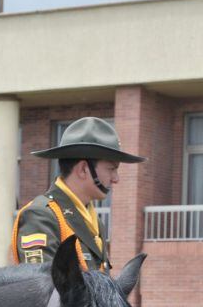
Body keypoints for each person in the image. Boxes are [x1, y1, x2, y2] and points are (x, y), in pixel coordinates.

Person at [11, 116, 145, 271]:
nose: (116, 179)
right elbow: (42, 282)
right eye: (111, 169)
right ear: (83, 169)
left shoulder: (92, 221)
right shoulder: (41, 216)